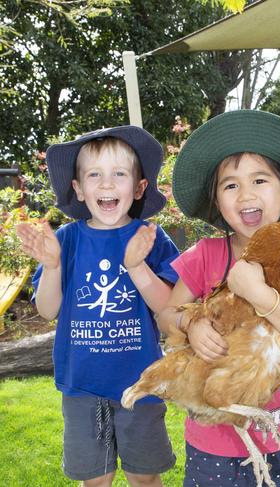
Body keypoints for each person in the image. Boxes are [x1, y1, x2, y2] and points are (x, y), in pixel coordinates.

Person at [157, 109, 280, 486]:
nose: (246, 194)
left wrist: (259, 294)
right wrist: (190, 322)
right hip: (215, 440)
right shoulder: (205, 254)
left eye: (260, 179)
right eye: (230, 185)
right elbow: (165, 312)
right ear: (217, 200)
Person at [16, 126, 179, 487]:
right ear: (78, 188)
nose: (106, 185)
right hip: (82, 387)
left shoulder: (150, 237)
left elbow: (169, 311)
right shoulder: (66, 240)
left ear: (138, 187)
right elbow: (47, 310)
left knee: (145, 476)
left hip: (140, 383)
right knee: (95, 480)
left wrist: (137, 267)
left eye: (119, 174)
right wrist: (54, 267)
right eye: (94, 175)